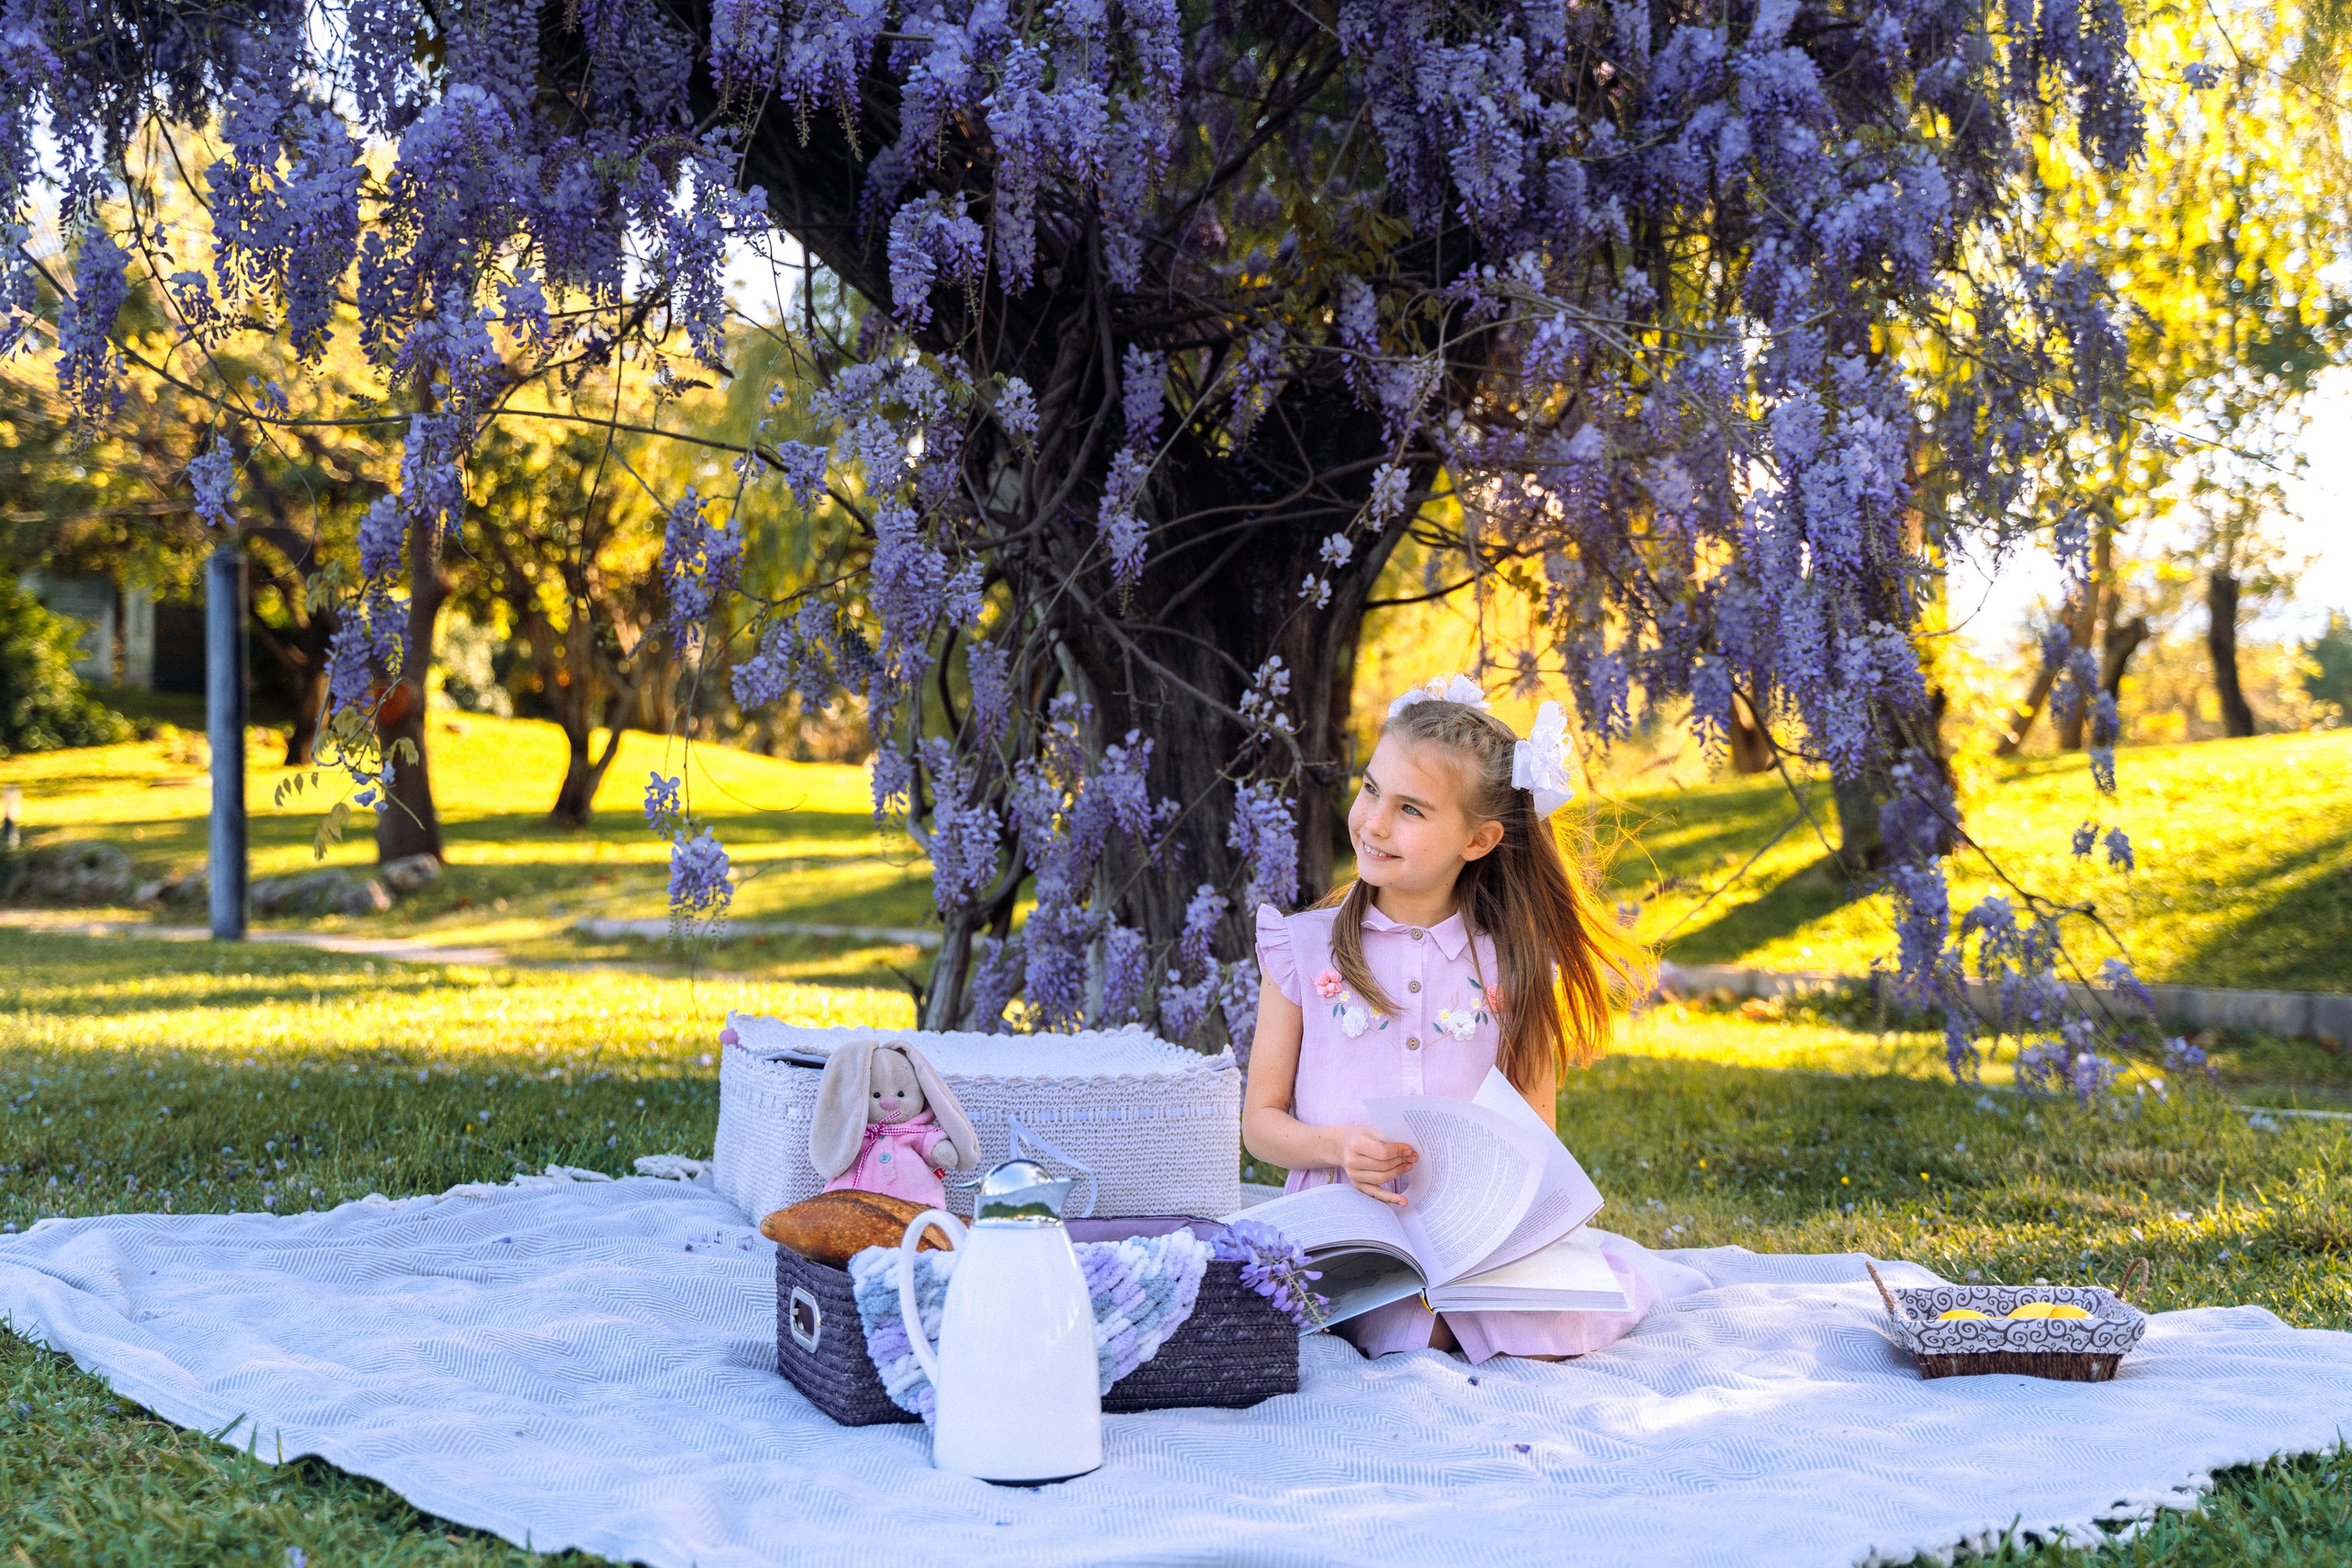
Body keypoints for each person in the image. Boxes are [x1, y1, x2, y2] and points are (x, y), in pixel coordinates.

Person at [1244, 675, 1674, 1362]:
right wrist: (1339, 1148)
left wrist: (1486, 1217)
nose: (1375, 821)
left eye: (1411, 809)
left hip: (1472, 1229)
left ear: (1478, 840)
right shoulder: (1302, 947)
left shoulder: (1517, 965)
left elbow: (1535, 1142)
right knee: (1385, 1320)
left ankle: (1478, 1310)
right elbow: (1260, 1123)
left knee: (1551, 1313)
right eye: (1371, 789)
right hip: (1347, 1224)